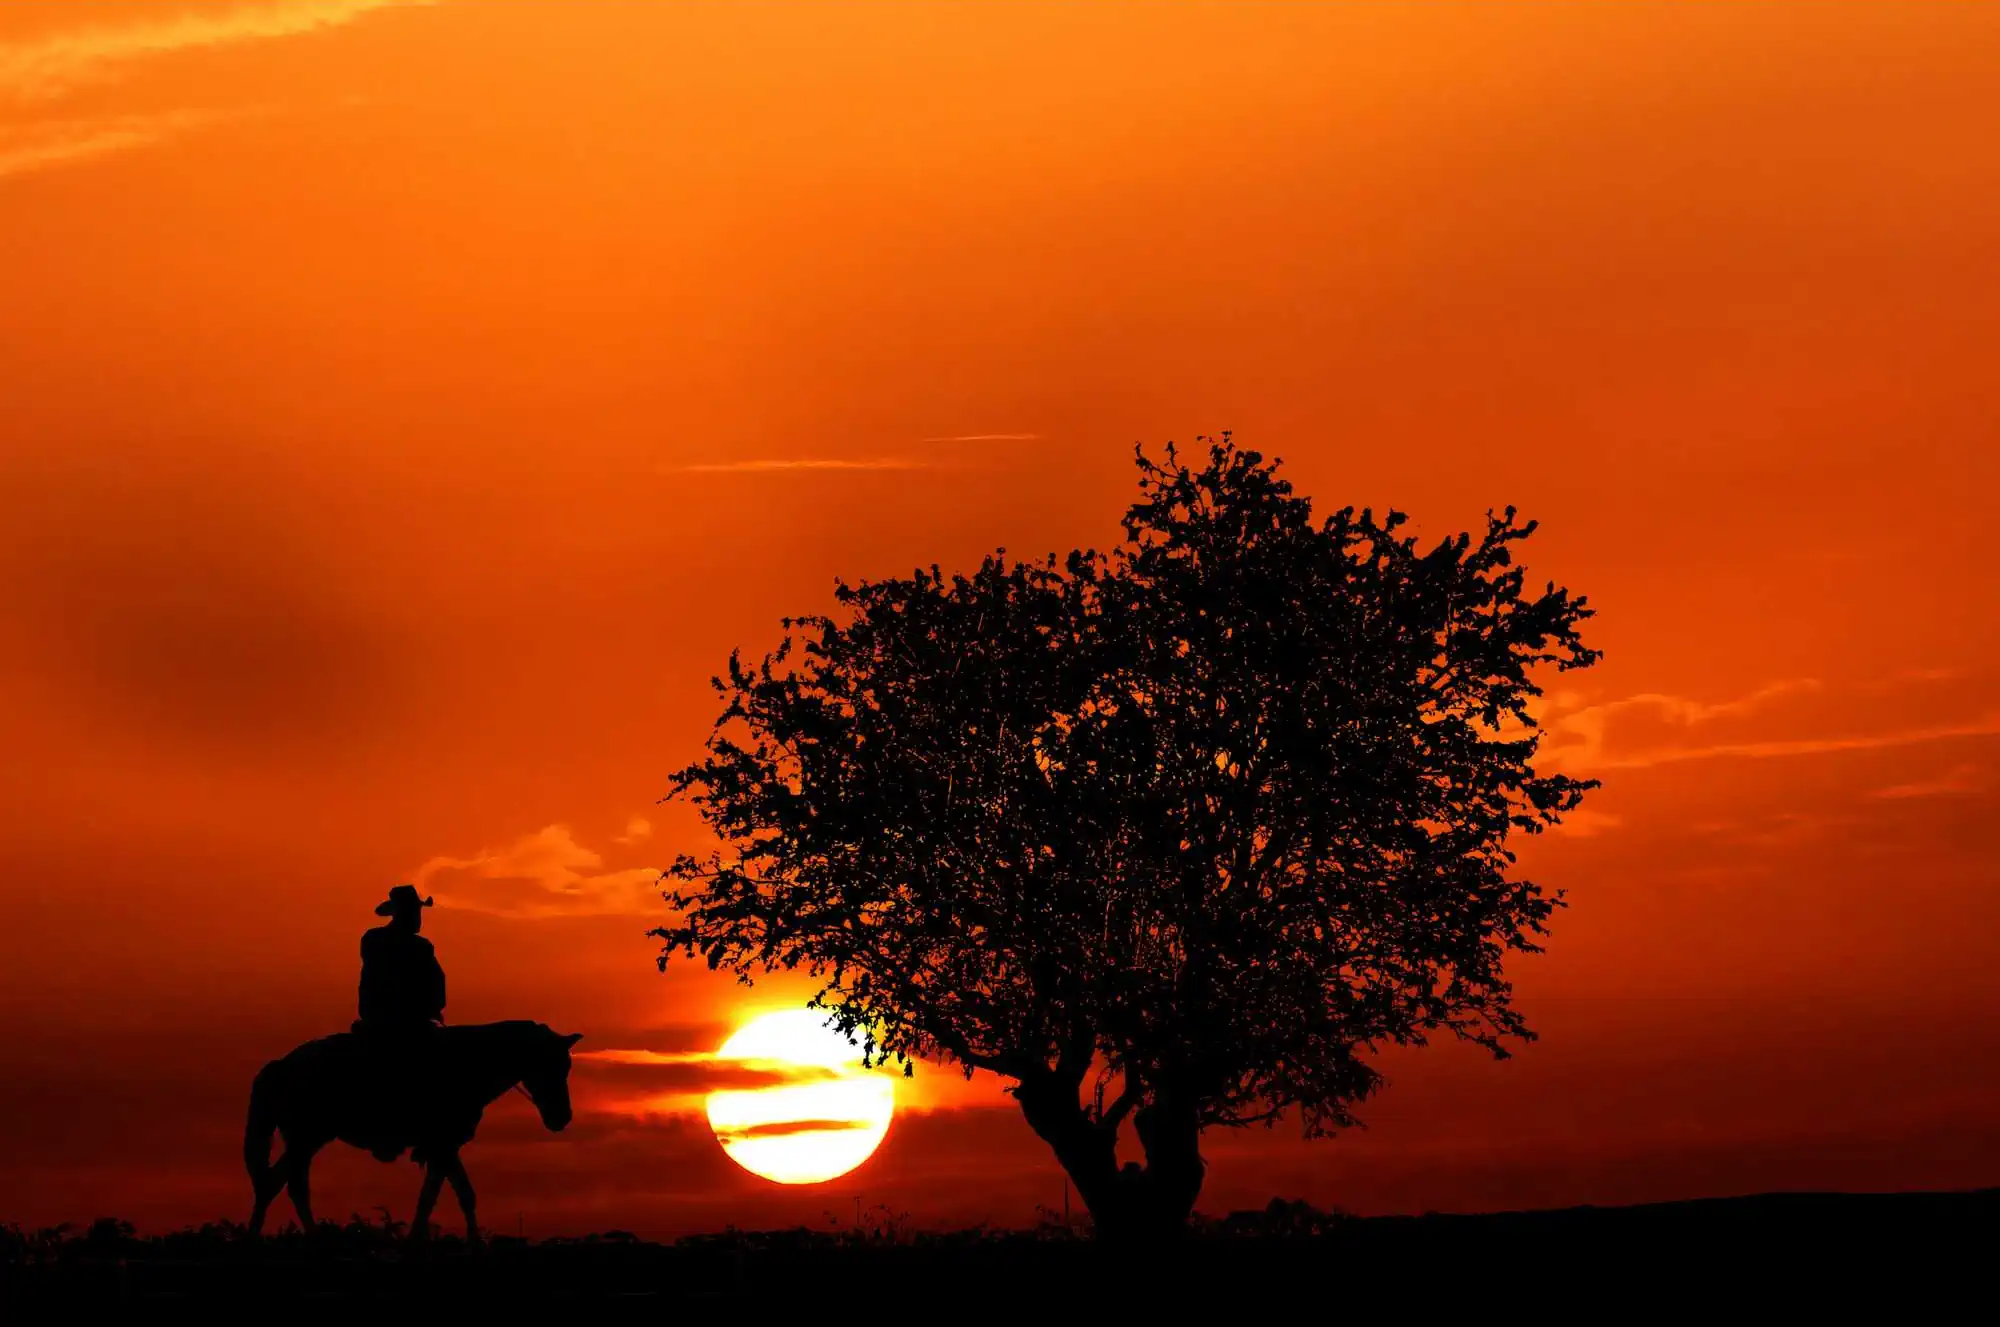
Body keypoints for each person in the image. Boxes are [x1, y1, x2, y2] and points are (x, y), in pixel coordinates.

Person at [353, 884, 447, 1157]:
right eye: (415, 911)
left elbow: (435, 982)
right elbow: (433, 982)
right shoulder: (409, 945)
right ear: (402, 913)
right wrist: (431, 1006)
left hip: (385, 1017)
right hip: (393, 1020)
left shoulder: (373, 940)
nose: (419, 917)